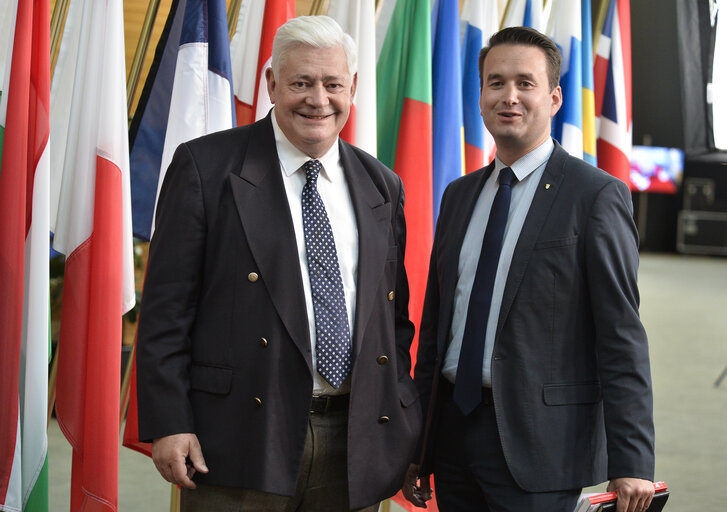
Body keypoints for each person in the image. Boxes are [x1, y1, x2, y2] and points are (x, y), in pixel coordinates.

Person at [136, 15, 421, 512]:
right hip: (236, 439)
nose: (318, 99)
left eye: (332, 84)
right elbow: (165, 312)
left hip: (352, 443)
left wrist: (403, 419)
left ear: (352, 87)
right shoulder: (206, 168)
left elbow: (393, 320)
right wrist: (169, 421)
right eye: (301, 83)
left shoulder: (382, 185)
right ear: (271, 83)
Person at [403, 26, 655, 512]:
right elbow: (438, 330)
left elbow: (621, 335)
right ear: (479, 97)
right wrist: (420, 445)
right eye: (496, 83)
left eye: (525, 83)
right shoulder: (458, 196)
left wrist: (633, 459)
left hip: (540, 447)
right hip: (454, 437)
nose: (509, 96)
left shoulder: (595, 196)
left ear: (555, 97)